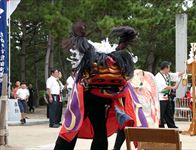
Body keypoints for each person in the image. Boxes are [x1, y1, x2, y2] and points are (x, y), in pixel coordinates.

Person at [54, 22, 147, 150]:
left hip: (88, 96)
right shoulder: (115, 59)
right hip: (102, 98)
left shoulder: (92, 58)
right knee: (100, 132)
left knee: (73, 128)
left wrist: (79, 35)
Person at [155, 61, 182, 128]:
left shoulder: (167, 75)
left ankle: (172, 127)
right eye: (169, 68)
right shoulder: (158, 77)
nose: (169, 69)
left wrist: (184, 72)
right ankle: (161, 127)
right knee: (161, 114)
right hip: (161, 98)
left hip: (167, 97)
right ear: (165, 68)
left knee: (169, 114)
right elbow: (164, 87)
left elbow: (176, 74)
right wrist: (174, 87)